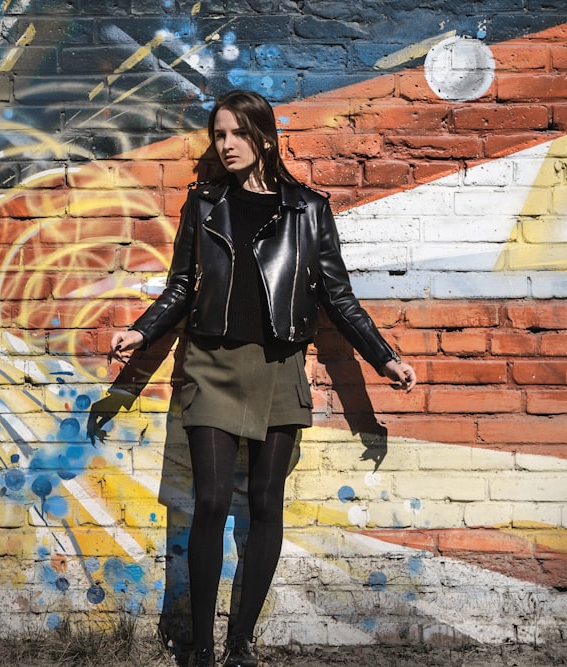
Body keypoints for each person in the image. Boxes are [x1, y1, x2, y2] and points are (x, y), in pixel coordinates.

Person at [109, 90, 417, 667]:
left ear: (263, 138)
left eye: (235, 134)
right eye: (217, 135)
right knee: (210, 500)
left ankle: (240, 642)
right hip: (211, 365)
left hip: (278, 368)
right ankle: (200, 646)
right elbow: (180, 287)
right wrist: (141, 333)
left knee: (266, 506)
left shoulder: (308, 210)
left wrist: (384, 357)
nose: (224, 145)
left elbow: (337, 295)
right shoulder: (203, 206)